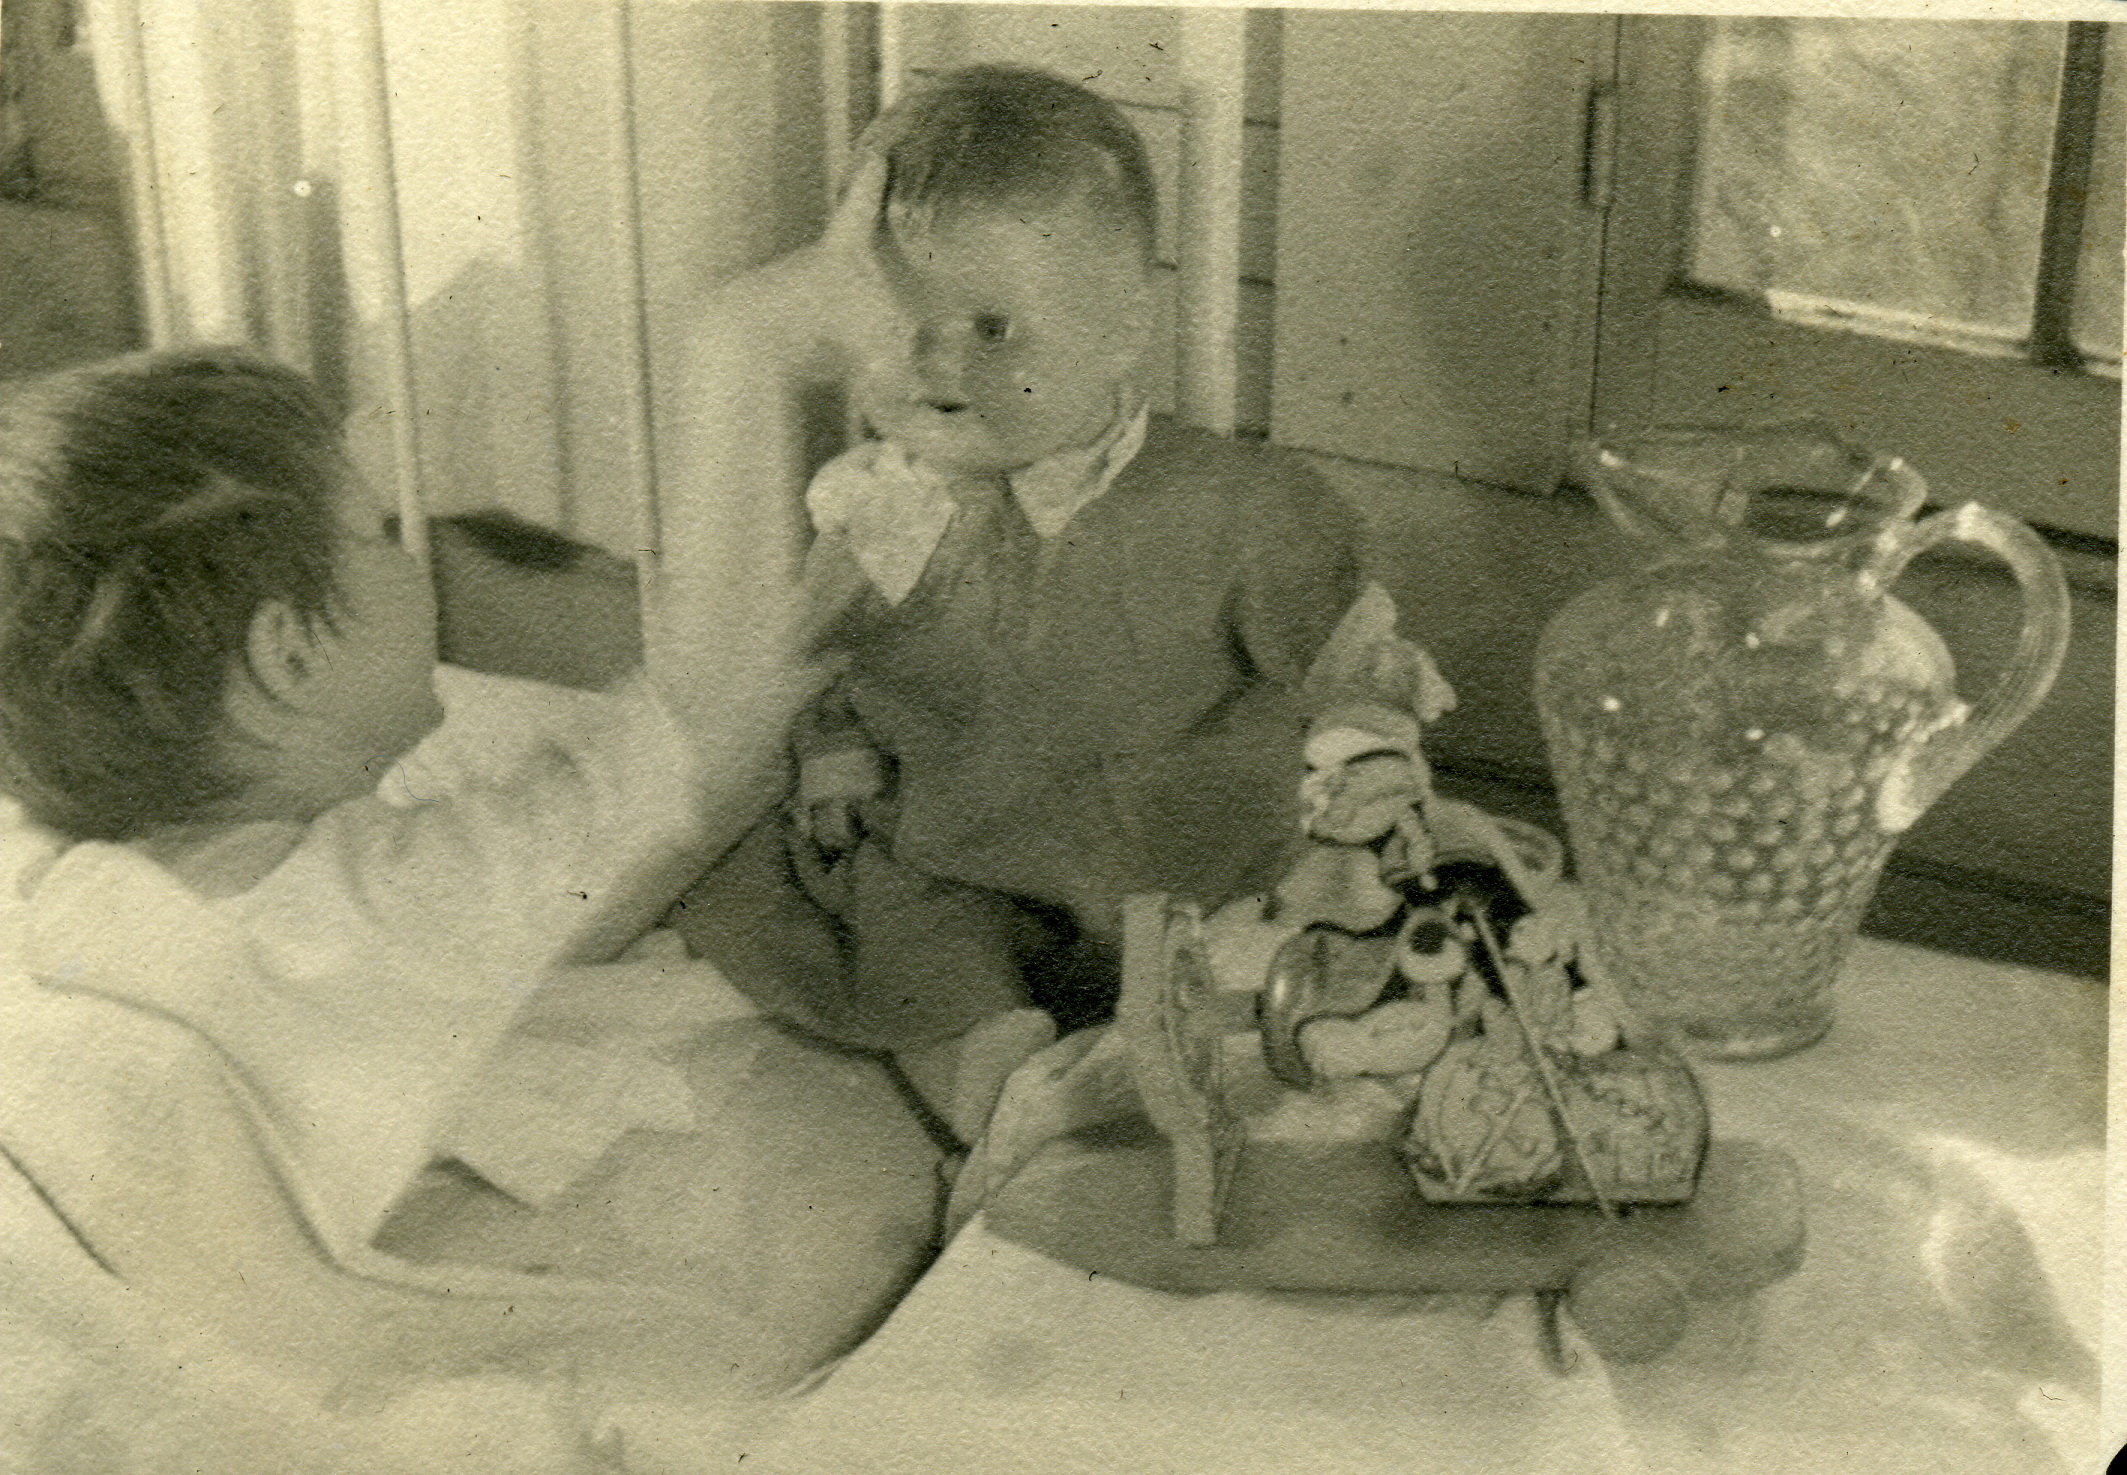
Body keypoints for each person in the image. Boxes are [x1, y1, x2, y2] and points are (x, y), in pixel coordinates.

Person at [0, 344, 944, 1470]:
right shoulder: (375, 895)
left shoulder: (60, 867)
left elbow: (575, 896)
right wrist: (781, 421)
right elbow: (685, 759)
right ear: (289, 654)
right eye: (378, 533)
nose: (415, 558)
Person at [668, 67, 1364, 1131]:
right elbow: (823, 672)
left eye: (993, 329)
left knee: (1272, 934)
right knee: (905, 934)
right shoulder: (879, 510)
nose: (936, 365)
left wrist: (1368, 738)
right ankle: (1008, 1081)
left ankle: (1165, 1044)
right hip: (960, 854)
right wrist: (834, 758)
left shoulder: (1233, 504)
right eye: (898, 322)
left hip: (1181, 859)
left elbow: (1344, 659)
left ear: (1123, 328)